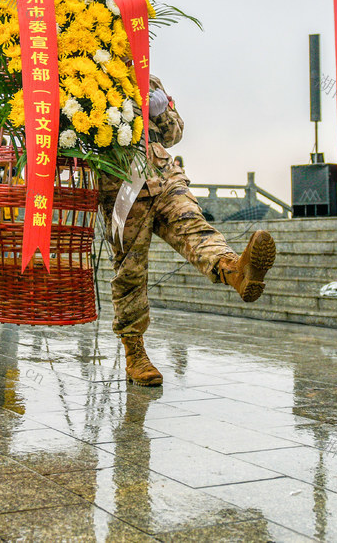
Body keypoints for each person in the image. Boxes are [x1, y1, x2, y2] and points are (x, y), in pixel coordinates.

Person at [99, 74, 276, 386]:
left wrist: (160, 111)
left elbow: (174, 133)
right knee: (130, 270)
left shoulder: (147, 76)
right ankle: (134, 352)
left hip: (164, 175)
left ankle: (236, 270)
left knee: (194, 227)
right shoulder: (83, 73)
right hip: (120, 185)